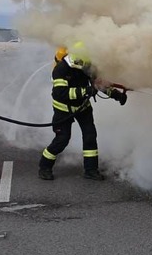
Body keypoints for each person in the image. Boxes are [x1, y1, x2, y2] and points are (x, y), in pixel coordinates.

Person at [38, 42, 127, 181]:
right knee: (62, 139)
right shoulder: (61, 69)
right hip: (63, 110)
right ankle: (44, 167)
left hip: (83, 108)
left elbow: (99, 84)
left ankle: (91, 170)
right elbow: (60, 93)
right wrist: (85, 91)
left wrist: (117, 95)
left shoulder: (87, 66)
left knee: (90, 136)